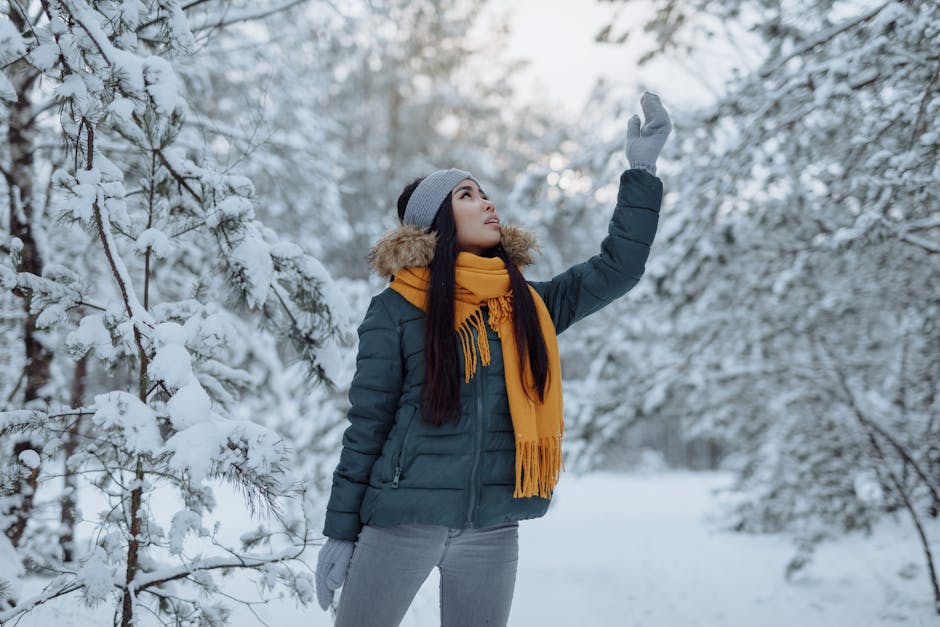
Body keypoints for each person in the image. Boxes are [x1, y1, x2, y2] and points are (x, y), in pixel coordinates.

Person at [315, 92, 672, 627]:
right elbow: (367, 427)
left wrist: (641, 171)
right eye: (467, 195)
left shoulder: (528, 304)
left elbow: (616, 269)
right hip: (401, 520)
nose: (487, 203)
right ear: (437, 219)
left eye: (484, 193)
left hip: (493, 526)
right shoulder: (394, 311)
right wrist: (340, 533)